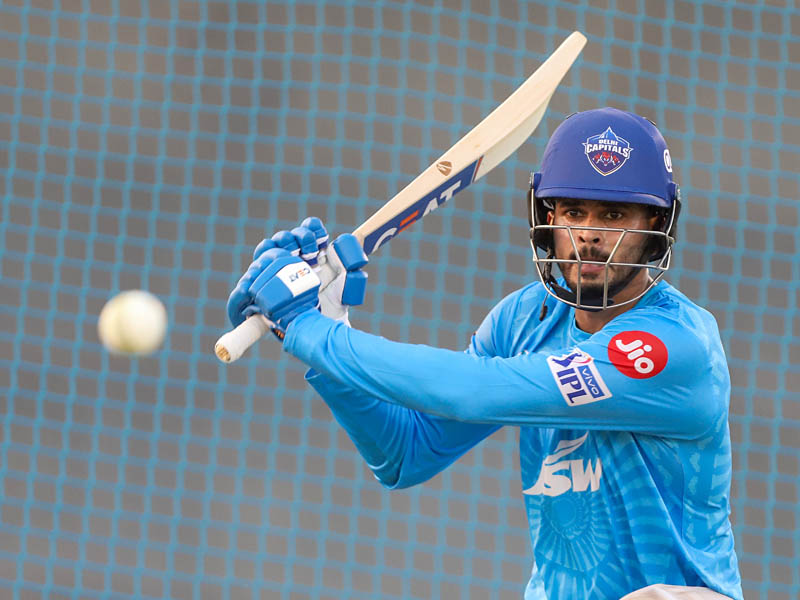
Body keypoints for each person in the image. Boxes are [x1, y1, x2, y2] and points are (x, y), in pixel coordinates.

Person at [226, 108, 743, 600]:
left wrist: (314, 332)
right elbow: (408, 454)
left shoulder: (673, 347)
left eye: (613, 214)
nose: (588, 234)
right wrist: (329, 338)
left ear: (656, 226)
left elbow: (473, 393)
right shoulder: (523, 319)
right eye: (573, 211)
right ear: (547, 215)